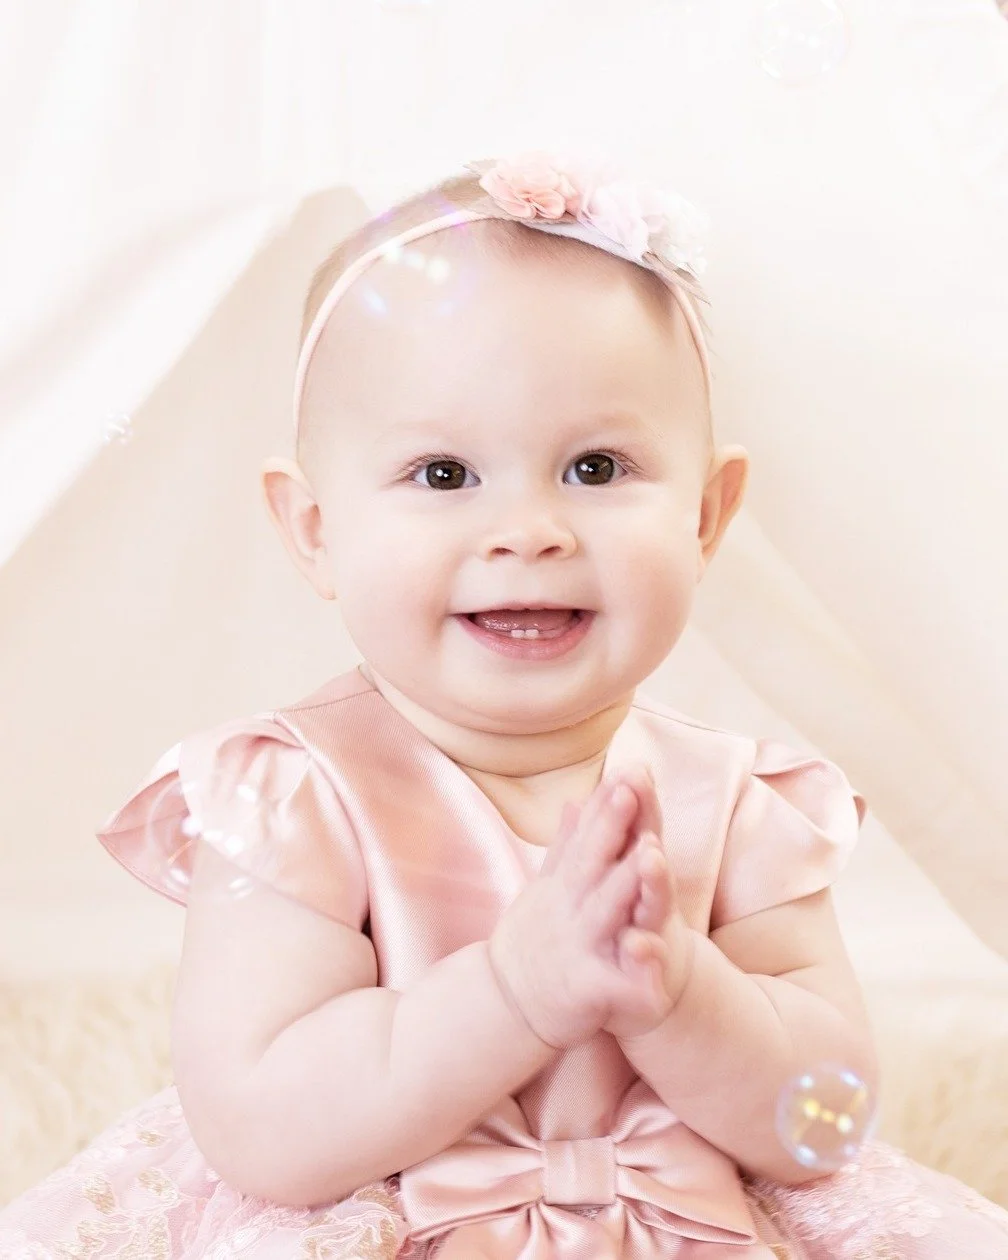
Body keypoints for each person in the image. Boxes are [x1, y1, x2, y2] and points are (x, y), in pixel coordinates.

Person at [2, 151, 1006, 1259]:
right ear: (317, 530)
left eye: (597, 467)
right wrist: (513, 988)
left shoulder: (741, 808)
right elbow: (262, 1129)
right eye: (443, 475)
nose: (529, 528)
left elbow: (821, 1122)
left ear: (709, 515)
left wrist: (679, 992)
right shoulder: (294, 798)